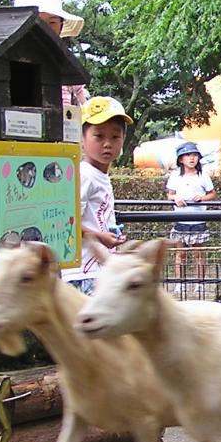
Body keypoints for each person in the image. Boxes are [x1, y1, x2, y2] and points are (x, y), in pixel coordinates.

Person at [62, 97, 131, 294]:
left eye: (115, 137)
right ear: (82, 139)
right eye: (99, 136)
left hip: (96, 269)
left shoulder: (99, 175)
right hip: (82, 272)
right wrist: (100, 237)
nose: (107, 144)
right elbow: (67, 221)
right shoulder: (84, 174)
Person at [13, 0, 87, 106]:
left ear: (61, 26)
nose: (44, 29)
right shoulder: (4, 64)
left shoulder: (68, 69)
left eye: (52, 22)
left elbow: (84, 110)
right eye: (37, 22)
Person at [165, 142, 215, 281]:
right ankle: (179, 283)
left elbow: (212, 194)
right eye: (187, 155)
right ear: (181, 159)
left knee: (199, 254)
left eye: (194, 155)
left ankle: (200, 283)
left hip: (198, 220)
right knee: (180, 253)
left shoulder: (203, 176)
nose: (192, 158)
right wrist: (176, 198)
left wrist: (202, 198)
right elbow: (169, 195)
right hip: (180, 219)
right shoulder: (175, 176)